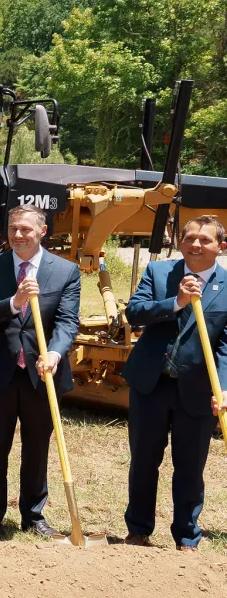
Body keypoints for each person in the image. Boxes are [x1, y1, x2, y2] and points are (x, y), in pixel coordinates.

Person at [0, 204, 80, 540]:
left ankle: (33, 516)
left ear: (42, 231)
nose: (18, 235)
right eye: (13, 228)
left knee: (37, 449)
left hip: (41, 376)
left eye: (26, 230)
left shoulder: (65, 271)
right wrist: (14, 302)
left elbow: (67, 321)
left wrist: (56, 353)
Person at [122, 215, 227, 553]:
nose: (196, 244)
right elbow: (135, 313)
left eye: (205, 240)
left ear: (221, 248)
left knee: (190, 466)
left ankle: (186, 535)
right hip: (150, 385)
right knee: (143, 460)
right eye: (190, 237)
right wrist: (176, 303)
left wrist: (223, 387)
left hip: (197, 391)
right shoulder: (159, 273)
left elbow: (226, 346)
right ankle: (138, 529)